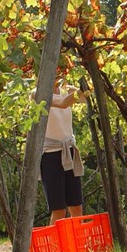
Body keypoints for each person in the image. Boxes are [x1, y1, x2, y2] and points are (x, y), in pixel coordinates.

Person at [37, 77, 86, 225]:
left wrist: (81, 91)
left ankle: (79, 245)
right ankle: (55, 246)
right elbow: (62, 104)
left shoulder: (66, 90)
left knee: (76, 207)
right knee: (59, 210)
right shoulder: (37, 93)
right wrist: (79, 92)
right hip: (50, 155)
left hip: (69, 151)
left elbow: (85, 100)